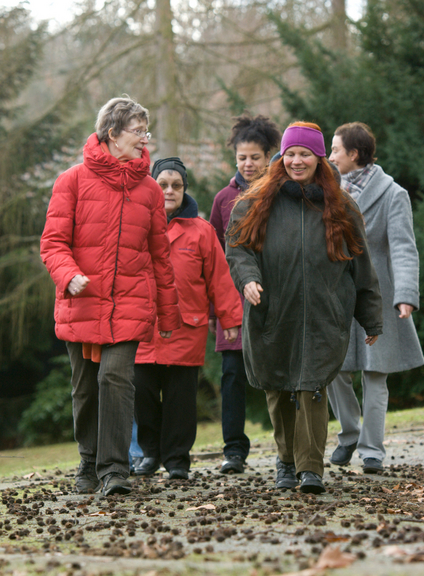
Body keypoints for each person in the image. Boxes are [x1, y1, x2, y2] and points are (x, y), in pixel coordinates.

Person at [226, 122, 383, 494]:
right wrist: (247, 278)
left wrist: (371, 316)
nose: (297, 161)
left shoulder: (341, 206)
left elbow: (361, 264)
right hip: (272, 311)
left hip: (323, 313)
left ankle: (311, 468)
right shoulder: (255, 201)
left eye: (305, 155)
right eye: (291, 154)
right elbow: (238, 247)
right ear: (282, 157)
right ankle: (286, 460)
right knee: (278, 386)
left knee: (312, 387)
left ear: (318, 159)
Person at [40, 97, 181, 497]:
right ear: (112, 133)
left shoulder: (151, 190)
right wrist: (69, 276)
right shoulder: (72, 181)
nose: (144, 139)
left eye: (145, 132)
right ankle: (88, 459)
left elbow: (160, 257)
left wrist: (168, 317)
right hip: (82, 304)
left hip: (131, 305)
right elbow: (52, 244)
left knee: (115, 377)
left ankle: (115, 470)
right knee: (85, 388)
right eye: (138, 131)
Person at [133, 157, 243, 480]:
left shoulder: (202, 232)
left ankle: (177, 459)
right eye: (162, 185)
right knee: (143, 394)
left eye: (176, 185)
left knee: (181, 400)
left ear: (184, 189)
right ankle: (150, 453)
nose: (169, 191)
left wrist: (230, 319)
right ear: (151, 186)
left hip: (186, 328)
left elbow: (219, 279)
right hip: (144, 328)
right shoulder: (138, 227)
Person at [326, 122, 424, 474]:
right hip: (336, 295)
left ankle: (372, 451)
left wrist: (406, 295)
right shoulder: (327, 190)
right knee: (332, 369)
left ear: (354, 154)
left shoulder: (393, 194)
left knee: (375, 374)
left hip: (378, 296)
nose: (329, 156)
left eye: (335, 150)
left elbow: (403, 247)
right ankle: (350, 431)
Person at [209, 113, 282, 475]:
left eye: (255, 157)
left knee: (281, 377)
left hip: (277, 300)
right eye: (242, 158)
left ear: (269, 155)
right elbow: (214, 260)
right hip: (232, 307)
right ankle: (234, 451)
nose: (248, 164)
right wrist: (216, 311)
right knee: (233, 378)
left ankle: (289, 447)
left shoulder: (283, 193)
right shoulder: (223, 199)